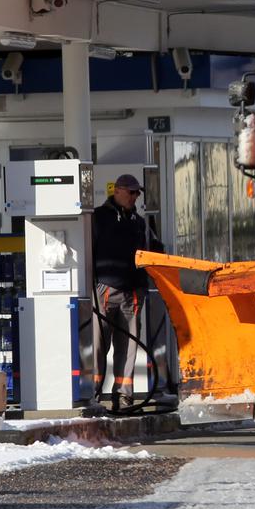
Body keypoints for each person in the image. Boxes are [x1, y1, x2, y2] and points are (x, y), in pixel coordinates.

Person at [91, 173, 161, 405]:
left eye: (137, 193)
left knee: (128, 347)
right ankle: (93, 394)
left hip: (132, 294)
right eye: (131, 192)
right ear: (118, 191)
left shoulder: (139, 223)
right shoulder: (98, 218)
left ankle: (123, 395)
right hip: (106, 291)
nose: (135, 197)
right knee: (99, 346)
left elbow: (153, 250)